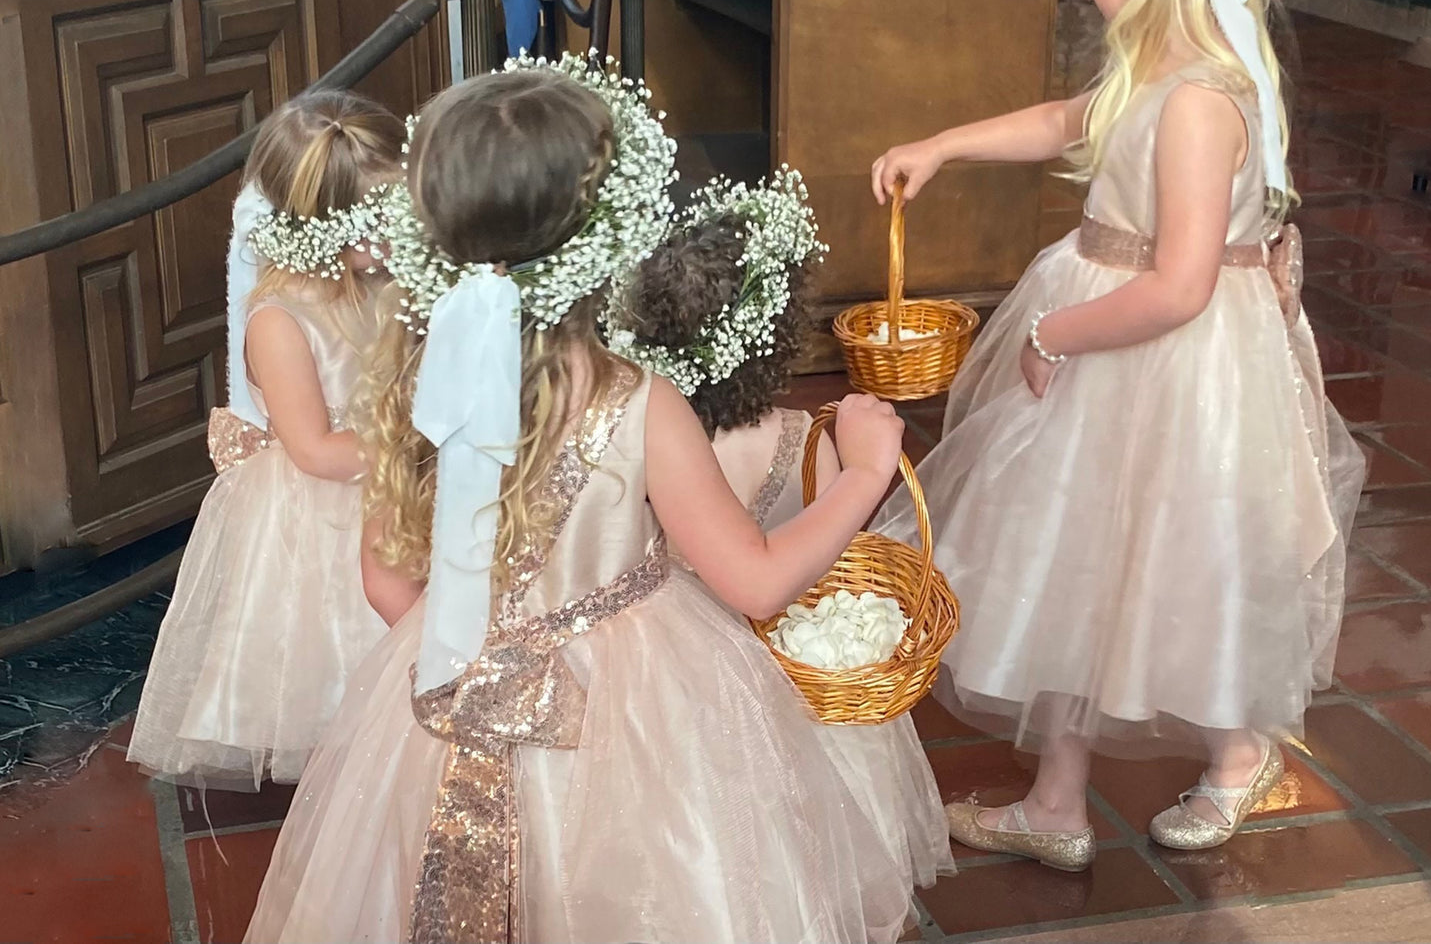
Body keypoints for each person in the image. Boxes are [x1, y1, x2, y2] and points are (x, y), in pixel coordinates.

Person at [246, 59, 923, 943]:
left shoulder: (417, 383)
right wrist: (866, 473)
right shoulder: (638, 403)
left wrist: (482, 663)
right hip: (632, 713)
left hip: (453, 686)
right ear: (607, 237)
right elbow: (755, 582)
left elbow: (385, 583)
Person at [869, 0, 1365, 870]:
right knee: (1072, 556)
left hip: (1168, 359)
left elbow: (1179, 284)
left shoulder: (1198, 100)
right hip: (1109, 334)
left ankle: (1236, 756)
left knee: (1178, 559)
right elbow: (1071, 121)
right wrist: (943, 144)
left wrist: (1052, 334)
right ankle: (1055, 800)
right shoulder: (1154, 67)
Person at [609, 172, 953, 893]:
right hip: (787, 700)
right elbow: (823, 567)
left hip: (654, 699)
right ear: (774, 333)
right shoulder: (804, 441)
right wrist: (864, 472)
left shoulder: (629, 440)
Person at [128, 91, 401, 788]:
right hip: (326, 516)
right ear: (315, 226)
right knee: (350, 678)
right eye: (375, 219)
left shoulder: (388, 280)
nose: (395, 232)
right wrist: (423, 441)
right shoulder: (280, 321)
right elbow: (314, 451)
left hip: (399, 492)